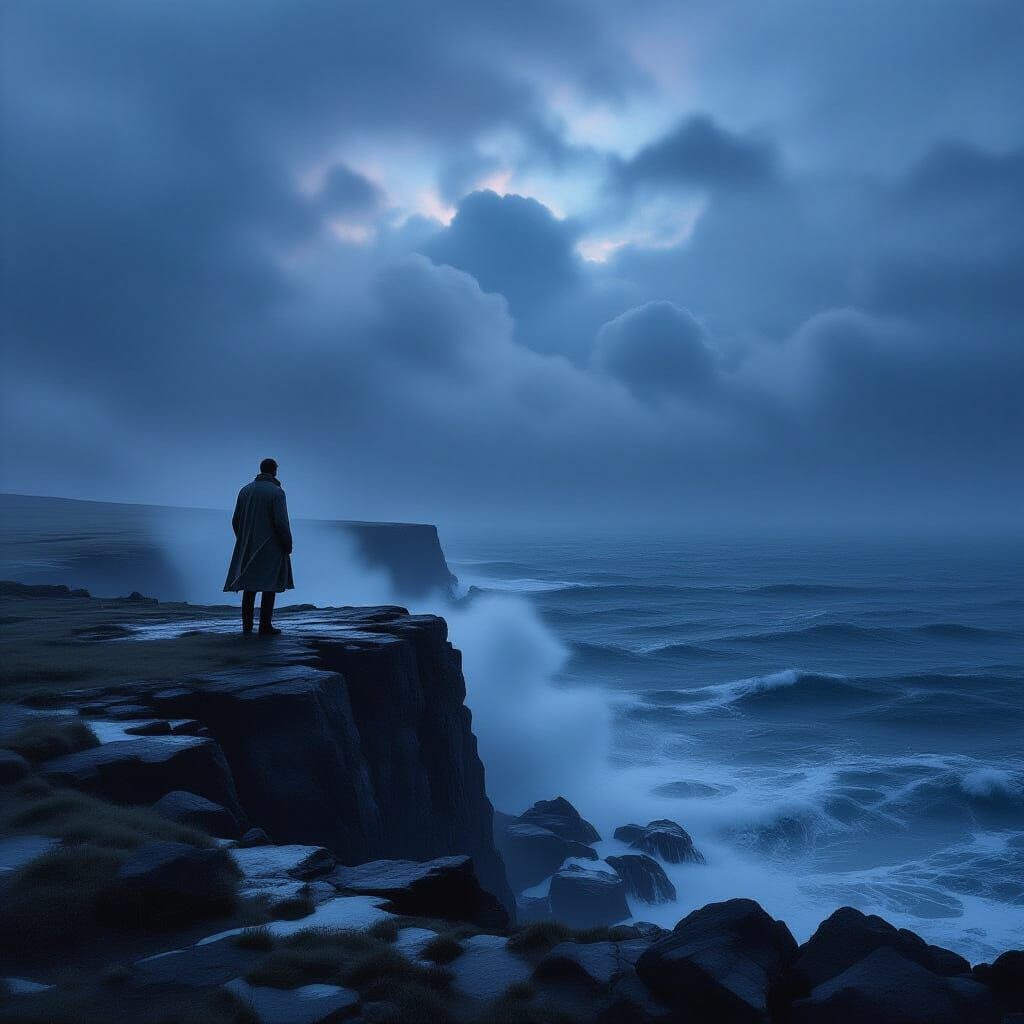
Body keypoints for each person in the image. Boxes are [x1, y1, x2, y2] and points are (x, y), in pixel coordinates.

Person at [223, 458, 294, 635]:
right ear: (274, 471)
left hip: (247, 544)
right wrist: (287, 543)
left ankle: (246, 627)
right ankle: (265, 625)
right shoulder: (277, 492)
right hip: (271, 545)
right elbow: (281, 522)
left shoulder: (245, 490)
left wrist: (242, 538)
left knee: (249, 585)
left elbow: (235, 520)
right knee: (269, 586)